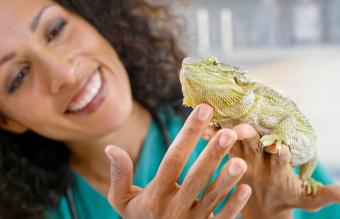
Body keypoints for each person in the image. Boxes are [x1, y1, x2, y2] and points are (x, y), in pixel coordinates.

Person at [0, 0, 339, 219]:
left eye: (56, 29)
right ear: (7, 120)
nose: (64, 73)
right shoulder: (32, 211)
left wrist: (269, 215)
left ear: (94, 19)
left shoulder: (252, 140)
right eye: (18, 76)